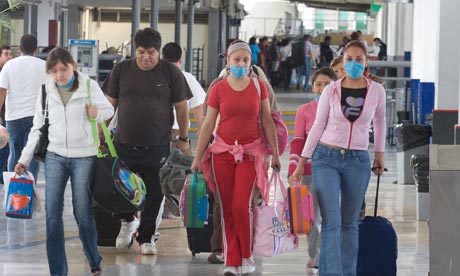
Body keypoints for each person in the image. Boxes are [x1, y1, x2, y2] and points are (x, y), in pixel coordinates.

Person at [14, 47, 114, 276]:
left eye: (64, 69)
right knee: (52, 215)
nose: (60, 75)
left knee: (82, 213)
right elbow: (37, 128)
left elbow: (109, 110)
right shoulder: (45, 91)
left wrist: (95, 112)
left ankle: (94, 259)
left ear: (74, 67)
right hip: (55, 156)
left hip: (84, 156)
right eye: (54, 71)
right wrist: (24, 159)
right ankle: (58, 272)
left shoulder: (89, 86)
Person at [290, 40, 386, 276]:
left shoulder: (376, 91)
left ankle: (348, 273)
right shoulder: (332, 90)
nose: (354, 63)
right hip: (326, 158)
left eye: (359, 59)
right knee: (331, 222)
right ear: (342, 62)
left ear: (366, 63)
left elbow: (380, 122)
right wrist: (302, 161)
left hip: (358, 160)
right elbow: (318, 126)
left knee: (349, 223)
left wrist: (380, 155)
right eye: (349, 59)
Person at [191, 41, 280, 276]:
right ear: (228, 62)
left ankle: (246, 255)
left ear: (250, 64)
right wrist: (197, 157)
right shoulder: (218, 89)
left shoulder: (259, 87)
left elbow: (267, 121)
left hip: (250, 153)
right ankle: (231, 260)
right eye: (236, 60)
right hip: (222, 153)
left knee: (242, 207)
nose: (241, 64)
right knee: (228, 209)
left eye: (245, 60)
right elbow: (208, 123)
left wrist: (275, 153)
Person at [105, 28, 193, 255]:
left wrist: (184, 138)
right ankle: (127, 222)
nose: (146, 57)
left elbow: (182, 108)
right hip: (123, 143)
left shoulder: (171, 73)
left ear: (159, 52)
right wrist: (100, 136)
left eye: (151, 52)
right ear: (135, 50)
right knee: (119, 189)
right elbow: (109, 104)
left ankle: (146, 239)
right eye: (141, 52)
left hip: (158, 146)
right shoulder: (121, 70)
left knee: (155, 193)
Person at [288, 67, 337, 275]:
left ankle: (327, 254)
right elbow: (298, 141)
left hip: (335, 170)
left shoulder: (341, 110)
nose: (322, 88)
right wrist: (294, 167)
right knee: (313, 218)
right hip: (310, 170)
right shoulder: (304, 110)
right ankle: (315, 255)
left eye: (327, 84)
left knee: (332, 217)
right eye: (318, 84)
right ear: (312, 86)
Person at [0, 34, 47, 181]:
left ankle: (13, 190)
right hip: (36, 117)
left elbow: (2, 91)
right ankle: (29, 191)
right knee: (31, 154)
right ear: (36, 49)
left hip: (13, 117)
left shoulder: (9, 65)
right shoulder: (43, 65)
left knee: (14, 153)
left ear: (19, 49)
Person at [161, 42, 205, 152]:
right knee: (182, 167)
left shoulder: (154, 76)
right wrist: (203, 133)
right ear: (181, 59)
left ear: (162, 58)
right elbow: (199, 108)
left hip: (155, 134)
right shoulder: (187, 77)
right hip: (179, 134)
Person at [0, 44, 12, 185]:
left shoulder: (9, 71)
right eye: (6, 54)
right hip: (2, 115)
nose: (9, 57)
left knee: (5, 147)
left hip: (7, 114)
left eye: (10, 54)